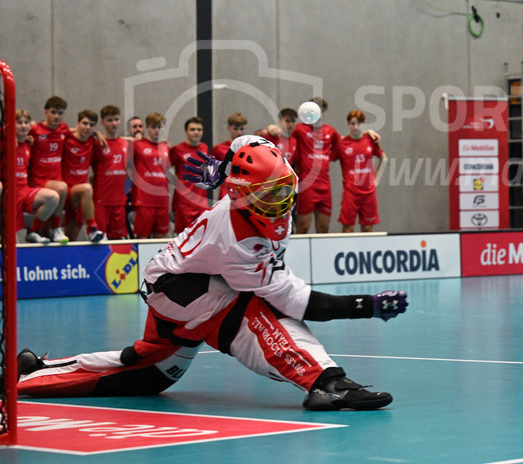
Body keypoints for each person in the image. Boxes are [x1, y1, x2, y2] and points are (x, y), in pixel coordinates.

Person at [17, 136, 409, 410]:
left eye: (283, 187)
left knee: (152, 372)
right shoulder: (239, 242)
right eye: (270, 194)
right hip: (177, 288)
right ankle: (325, 384)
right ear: (243, 196)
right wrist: (367, 305)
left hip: (175, 281)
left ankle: (33, 372)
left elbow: (245, 145)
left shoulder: (255, 181)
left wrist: (223, 169)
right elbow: (297, 301)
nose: (283, 200)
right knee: (250, 313)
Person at [292, 97, 341, 234]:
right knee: (303, 226)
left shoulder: (330, 131)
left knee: (323, 228)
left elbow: (345, 143)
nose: (319, 113)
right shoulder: (300, 129)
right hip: (307, 185)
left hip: (325, 186)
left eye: (322, 110)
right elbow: (284, 136)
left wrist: (367, 133)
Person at [14, 110, 62, 244]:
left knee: (53, 197)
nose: (23, 126)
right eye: (19, 123)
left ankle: (34, 231)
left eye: (26, 122)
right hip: (9, 191)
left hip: (24, 189)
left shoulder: (29, 144)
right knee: (13, 244)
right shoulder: (4, 142)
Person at [335, 109, 386, 232]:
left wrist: (376, 180)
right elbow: (326, 157)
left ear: (363, 124)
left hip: (368, 192)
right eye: (352, 123)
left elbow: (383, 158)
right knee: (348, 228)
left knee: (368, 228)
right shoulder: (342, 143)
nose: (355, 127)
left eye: (359, 123)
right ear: (348, 124)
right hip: (350, 191)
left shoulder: (370, 140)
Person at [28, 96, 70, 243]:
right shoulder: (35, 130)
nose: (56, 116)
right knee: (63, 187)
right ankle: (56, 229)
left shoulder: (64, 129)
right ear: (46, 112)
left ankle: (39, 231)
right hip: (38, 180)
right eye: (53, 112)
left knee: (61, 188)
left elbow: (77, 131)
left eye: (60, 113)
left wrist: (96, 133)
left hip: (55, 180)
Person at [62, 109, 106, 242]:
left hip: (81, 199)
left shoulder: (93, 142)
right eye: (85, 123)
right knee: (87, 188)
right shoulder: (67, 139)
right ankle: (92, 228)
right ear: (77, 123)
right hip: (65, 192)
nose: (88, 127)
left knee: (71, 237)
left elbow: (118, 140)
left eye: (92, 125)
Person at [92, 105, 131, 240]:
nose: (114, 123)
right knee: (99, 241)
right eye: (110, 120)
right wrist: (94, 132)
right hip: (101, 201)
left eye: (116, 119)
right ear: (102, 122)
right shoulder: (97, 143)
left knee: (118, 243)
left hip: (119, 201)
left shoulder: (126, 144)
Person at [131, 113, 171, 238]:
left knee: (160, 237)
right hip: (144, 200)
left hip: (162, 198)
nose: (157, 130)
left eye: (159, 127)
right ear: (147, 127)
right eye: (153, 127)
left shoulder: (166, 147)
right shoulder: (137, 145)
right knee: (142, 238)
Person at [169, 116, 210, 232]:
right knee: (183, 236)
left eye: (199, 129)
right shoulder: (177, 149)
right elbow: (165, 169)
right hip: (183, 202)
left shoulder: (204, 147)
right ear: (186, 131)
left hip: (202, 203)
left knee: (202, 235)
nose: (196, 132)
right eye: (192, 129)